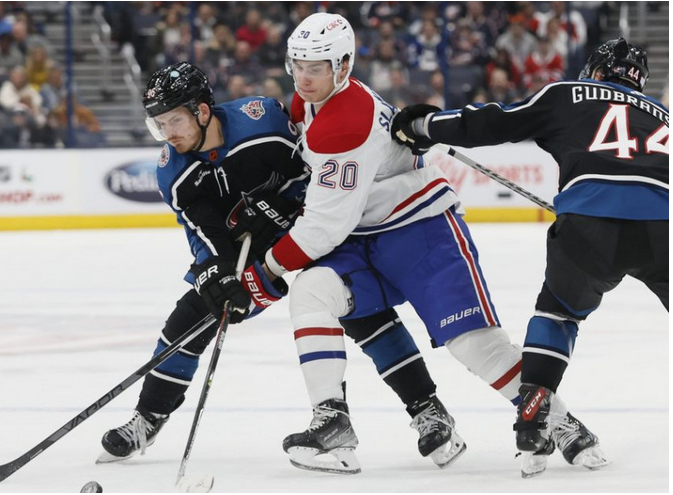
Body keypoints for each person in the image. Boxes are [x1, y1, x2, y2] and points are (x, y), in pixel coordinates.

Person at [251, 12, 606, 477]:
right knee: (313, 291)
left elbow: (321, 229)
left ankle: (560, 421)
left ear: (343, 65)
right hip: (362, 238)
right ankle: (331, 424)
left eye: (314, 67)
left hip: (420, 232)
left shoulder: (343, 121)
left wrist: (265, 270)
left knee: (473, 344)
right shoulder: (311, 102)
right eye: (296, 65)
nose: (302, 77)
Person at [393, 37, 666, 475]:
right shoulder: (665, 115)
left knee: (558, 313)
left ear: (594, 70)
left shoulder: (568, 94)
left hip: (590, 222)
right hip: (665, 226)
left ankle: (535, 408)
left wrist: (425, 125)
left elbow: (493, 123)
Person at [97, 62, 309, 462]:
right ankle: (149, 417)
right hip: (253, 248)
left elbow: (320, 171)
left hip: (313, 230)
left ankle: (361, 411)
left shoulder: (262, 122)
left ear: (203, 111)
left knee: (347, 300)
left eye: (175, 120)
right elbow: (203, 232)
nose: (168, 133)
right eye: (160, 124)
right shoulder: (173, 172)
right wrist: (217, 271)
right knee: (190, 319)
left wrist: (283, 206)